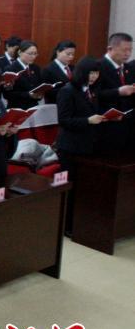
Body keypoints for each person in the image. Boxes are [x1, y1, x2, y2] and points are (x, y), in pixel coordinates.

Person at [56, 57, 109, 233]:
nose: (93, 76)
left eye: (96, 73)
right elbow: (64, 120)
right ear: (82, 72)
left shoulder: (91, 91)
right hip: (70, 147)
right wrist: (88, 120)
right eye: (90, 72)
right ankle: (65, 225)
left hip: (87, 145)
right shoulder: (68, 91)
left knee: (83, 187)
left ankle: (77, 222)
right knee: (70, 187)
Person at [96, 32, 135, 151]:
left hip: (128, 124)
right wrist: (118, 92)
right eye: (124, 50)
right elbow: (93, 94)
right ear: (110, 49)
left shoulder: (129, 68)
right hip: (106, 125)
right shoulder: (98, 66)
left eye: (130, 50)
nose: (128, 54)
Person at [4, 40, 44, 110]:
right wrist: (28, 95)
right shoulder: (10, 69)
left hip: (33, 107)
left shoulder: (36, 68)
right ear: (20, 52)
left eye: (35, 54)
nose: (33, 57)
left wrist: (40, 94)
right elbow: (7, 94)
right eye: (30, 54)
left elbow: (38, 85)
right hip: (17, 108)